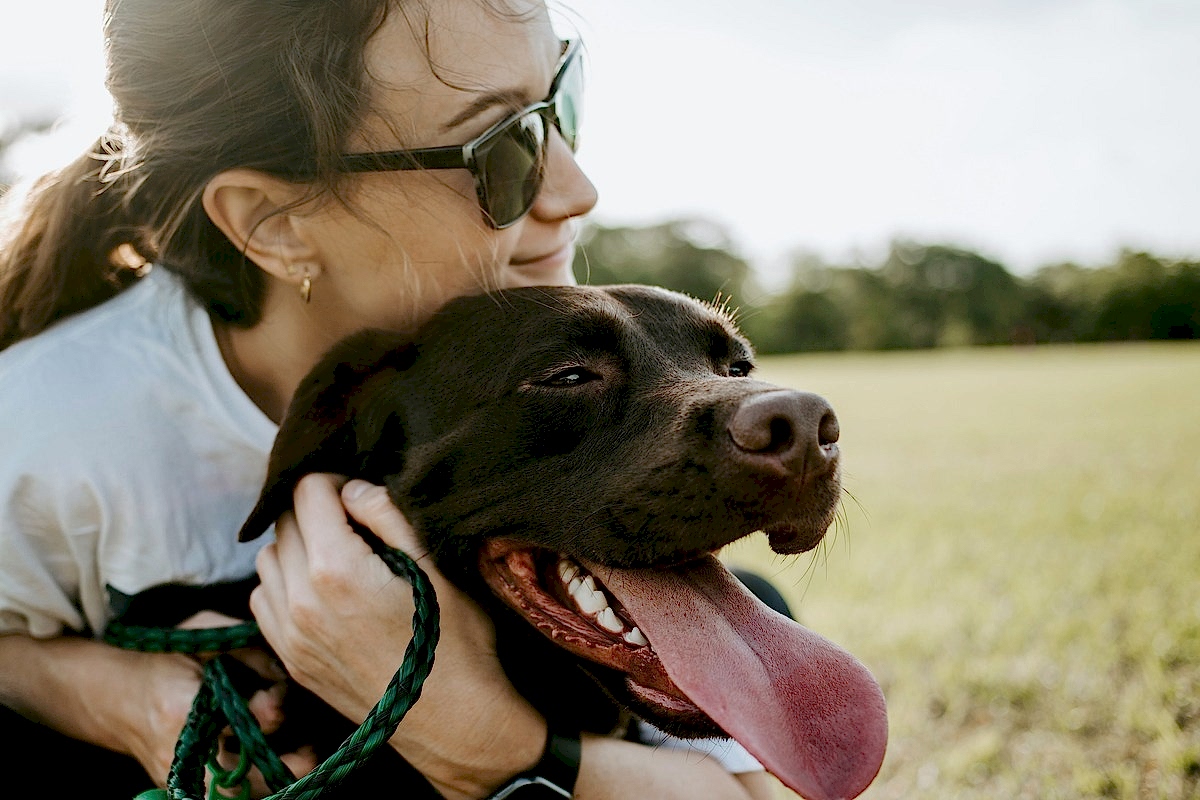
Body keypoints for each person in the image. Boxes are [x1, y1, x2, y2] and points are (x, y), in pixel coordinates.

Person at [0, 1, 778, 798]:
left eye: (562, 100)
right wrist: (120, 696)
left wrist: (475, 732)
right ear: (275, 223)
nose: (577, 188)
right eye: (501, 147)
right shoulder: (45, 431)